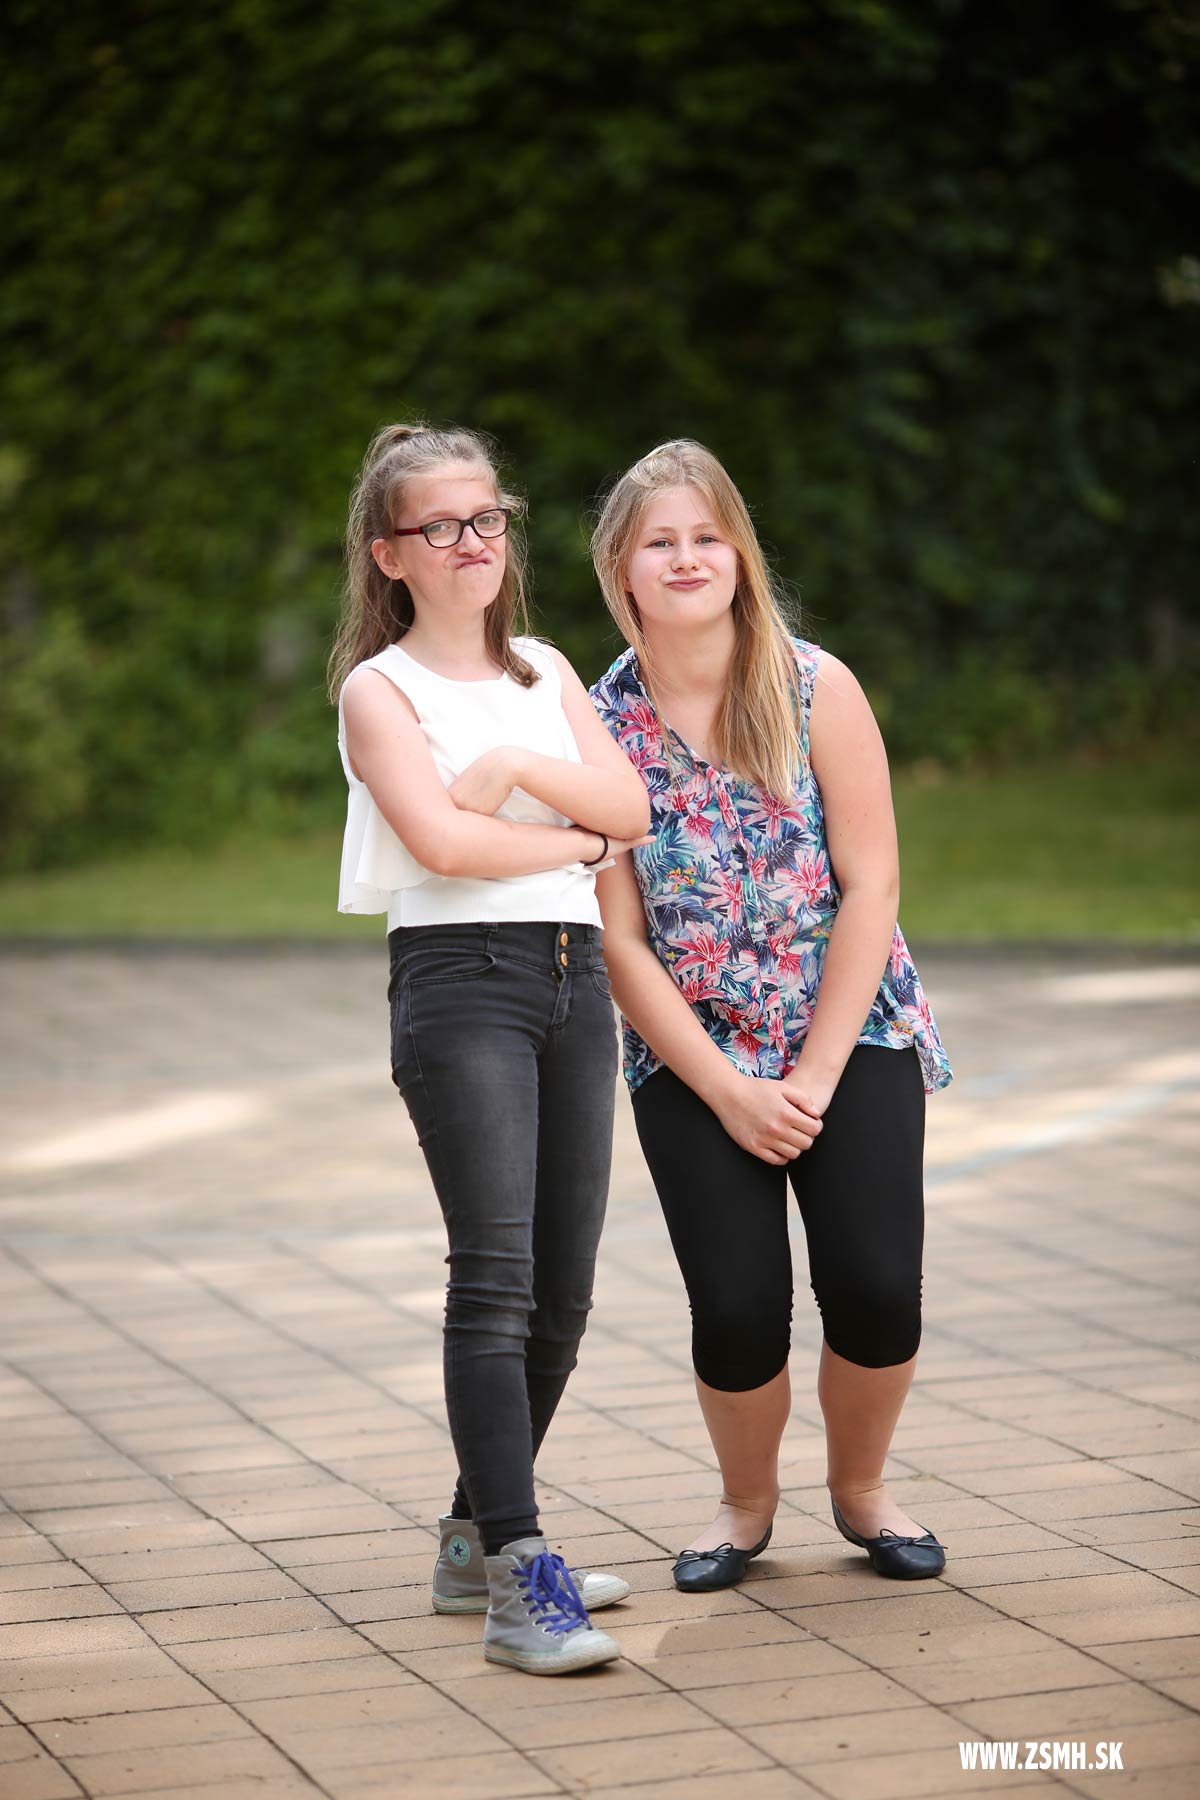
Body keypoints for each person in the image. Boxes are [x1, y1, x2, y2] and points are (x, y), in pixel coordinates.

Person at [588, 439, 953, 1593]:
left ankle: (863, 1491)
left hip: (854, 1029)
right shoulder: (594, 724)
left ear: (740, 554)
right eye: (661, 542)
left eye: (708, 536)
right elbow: (618, 939)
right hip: (694, 1055)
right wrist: (728, 1090)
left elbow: (873, 883)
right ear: (622, 569)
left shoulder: (813, 687)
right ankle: (745, 1506)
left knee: (876, 1285)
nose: (687, 558)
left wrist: (815, 1077)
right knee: (740, 1305)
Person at [331, 422, 650, 1672]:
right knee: (497, 1278)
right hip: (461, 983)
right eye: (439, 527)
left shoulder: (547, 674)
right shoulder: (379, 692)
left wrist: (523, 764)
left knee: (564, 1291)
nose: (471, 542)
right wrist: (579, 842)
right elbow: (444, 847)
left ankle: (473, 1541)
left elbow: (632, 807)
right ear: (390, 554)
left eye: (487, 519)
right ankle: (521, 1580)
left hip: (574, 977)